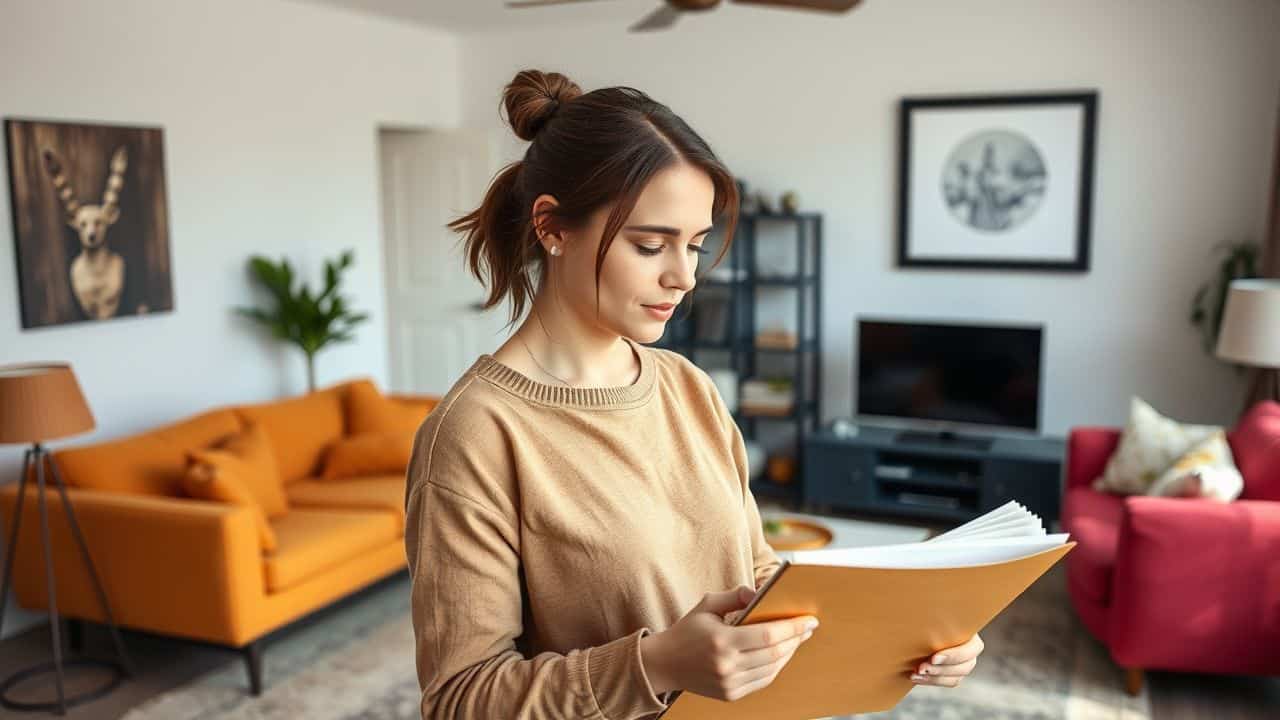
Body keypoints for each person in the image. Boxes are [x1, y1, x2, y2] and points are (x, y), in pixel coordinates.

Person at [403, 68, 985, 720]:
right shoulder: (477, 433)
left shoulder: (689, 389)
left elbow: (755, 575)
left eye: (696, 246)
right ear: (552, 228)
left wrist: (906, 634)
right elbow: (459, 699)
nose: (683, 277)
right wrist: (655, 664)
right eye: (651, 245)